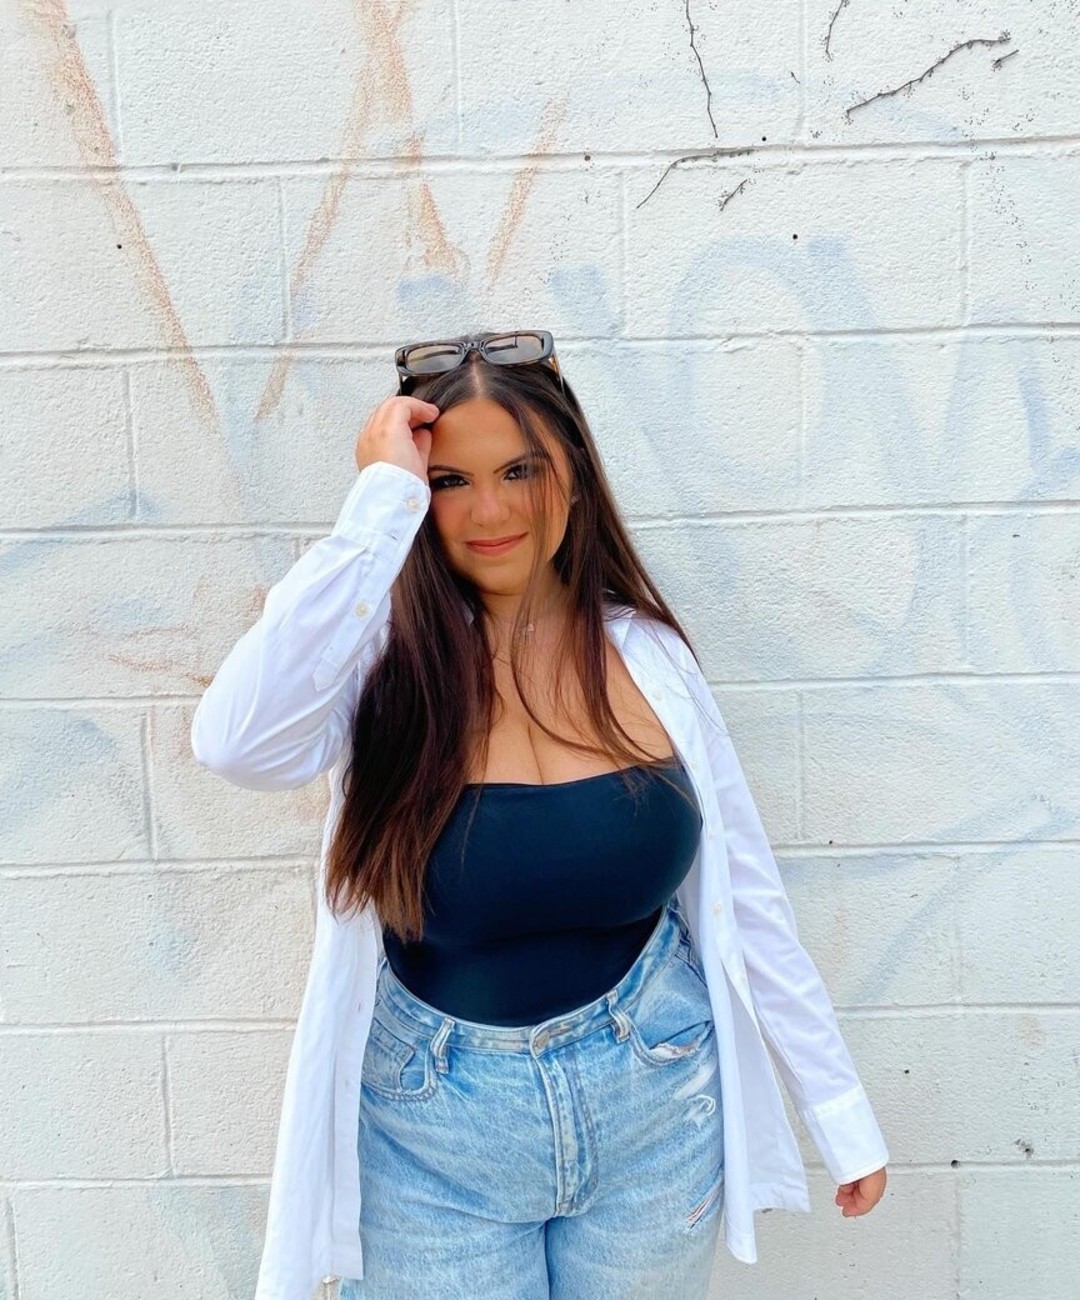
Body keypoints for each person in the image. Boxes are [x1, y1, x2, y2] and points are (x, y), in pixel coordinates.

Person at [190, 331, 889, 1300]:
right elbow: (232, 741)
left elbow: (749, 895)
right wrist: (377, 509)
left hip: (657, 1104)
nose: (491, 510)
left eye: (520, 469)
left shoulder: (648, 656)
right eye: (449, 482)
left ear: (574, 471)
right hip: (434, 1135)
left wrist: (838, 1110)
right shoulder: (381, 667)